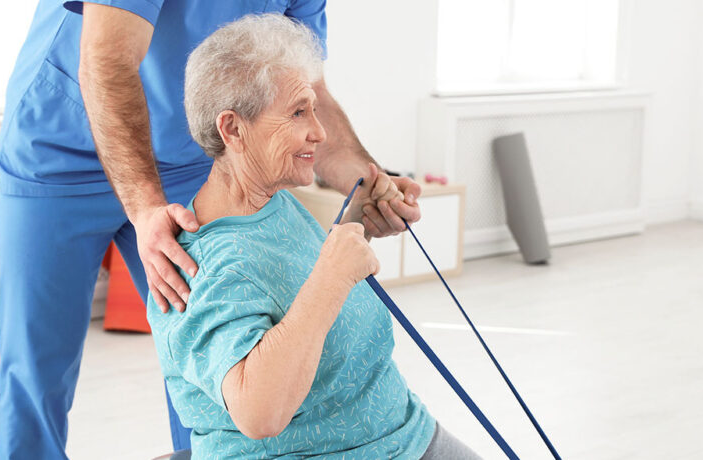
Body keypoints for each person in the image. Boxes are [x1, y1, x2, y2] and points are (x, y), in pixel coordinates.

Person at [0, 1, 422, 458]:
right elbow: (107, 59)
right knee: (35, 375)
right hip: (59, 152)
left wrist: (366, 181)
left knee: (211, 363)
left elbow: (304, 85)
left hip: (181, 159)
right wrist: (146, 207)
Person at [146, 14, 483, 459]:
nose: (320, 133)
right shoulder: (199, 266)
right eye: (298, 112)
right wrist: (333, 276)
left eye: (314, 109)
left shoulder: (273, 202)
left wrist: (360, 218)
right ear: (232, 129)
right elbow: (260, 413)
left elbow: (293, 286)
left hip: (402, 430)